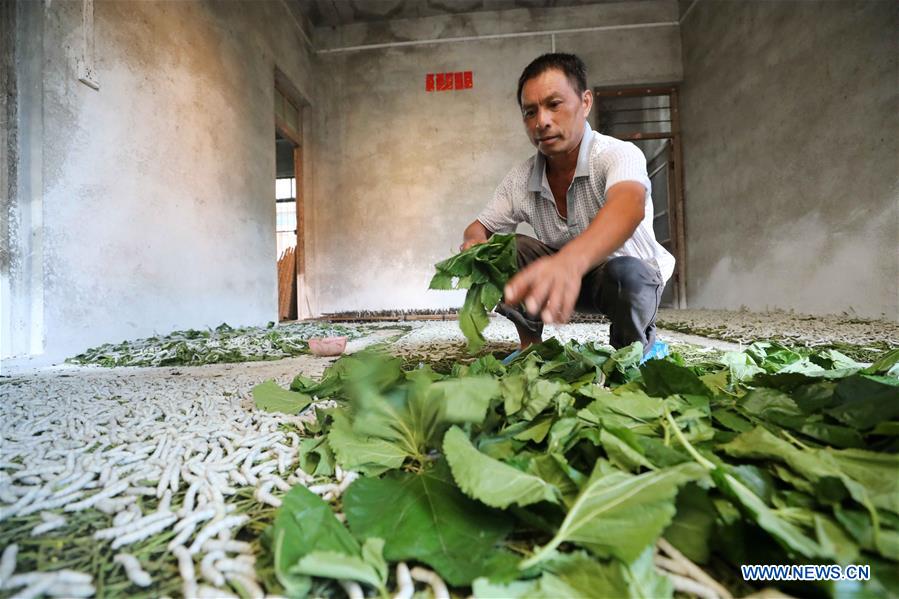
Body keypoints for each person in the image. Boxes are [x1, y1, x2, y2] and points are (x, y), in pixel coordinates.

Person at [460, 53, 674, 358]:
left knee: (627, 273)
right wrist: (474, 245)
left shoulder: (617, 154)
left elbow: (629, 206)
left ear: (585, 103)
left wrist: (571, 261)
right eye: (530, 112)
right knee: (507, 249)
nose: (541, 121)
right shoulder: (521, 178)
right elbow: (479, 228)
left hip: (624, 284)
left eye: (554, 104)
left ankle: (633, 350)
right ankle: (530, 348)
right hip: (561, 284)